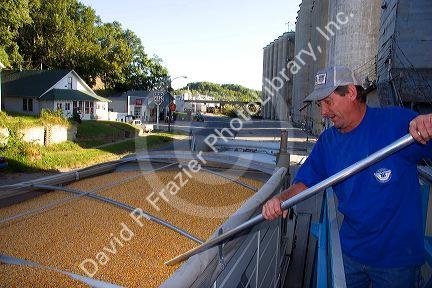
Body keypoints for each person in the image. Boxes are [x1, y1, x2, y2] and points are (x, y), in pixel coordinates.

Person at [262, 66, 432, 288]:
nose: (323, 112)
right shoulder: (327, 142)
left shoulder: (398, 124)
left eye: (328, 101)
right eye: (320, 104)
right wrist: (283, 199)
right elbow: (306, 181)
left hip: (397, 259)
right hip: (350, 252)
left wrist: (428, 123)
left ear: (351, 93)